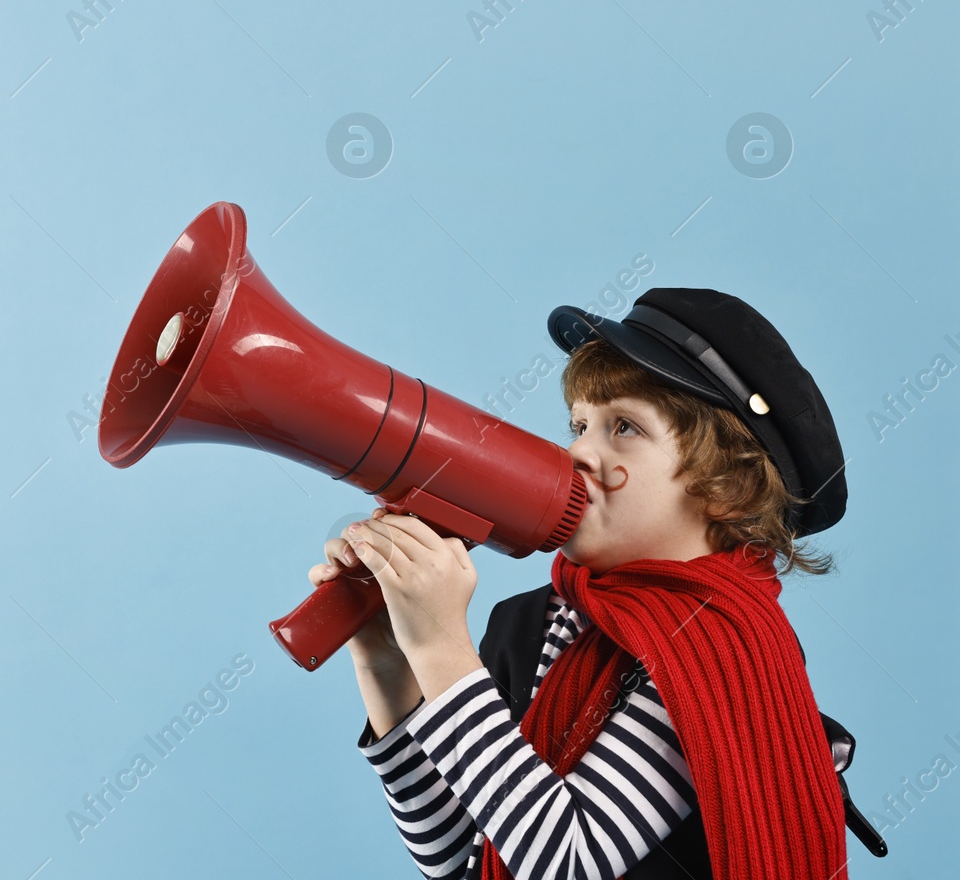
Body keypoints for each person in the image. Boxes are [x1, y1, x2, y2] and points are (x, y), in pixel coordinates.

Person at [311, 289, 853, 879]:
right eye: (578, 424)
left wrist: (440, 649)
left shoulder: (718, 648)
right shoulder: (529, 621)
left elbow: (568, 862)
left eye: (623, 427)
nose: (577, 452)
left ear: (727, 486)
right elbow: (459, 858)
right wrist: (390, 663)